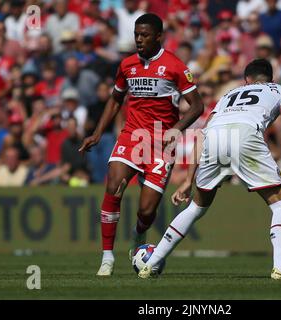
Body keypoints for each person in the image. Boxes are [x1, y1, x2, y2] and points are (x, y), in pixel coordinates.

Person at [138, 59, 281, 280]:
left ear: (246, 80)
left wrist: (188, 180)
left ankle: (152, 262)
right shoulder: (280, 90)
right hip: (245, 134)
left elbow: (202, 134)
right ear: (271, 79)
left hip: (214, 136)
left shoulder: (228, 96)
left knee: (196, 208)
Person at [78, 13, 204, 277]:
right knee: (114, 185)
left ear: (158, 36)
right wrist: (98, 132)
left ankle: (138, 236)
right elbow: (115, 100)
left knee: (146, 211)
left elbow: (198, 106)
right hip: (132, 136)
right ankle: (107, 257)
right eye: (136, 34)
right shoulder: (126, 65)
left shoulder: (175, 66)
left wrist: (176, 129)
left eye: (144, 35)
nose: (139, 39)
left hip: (160, 143)